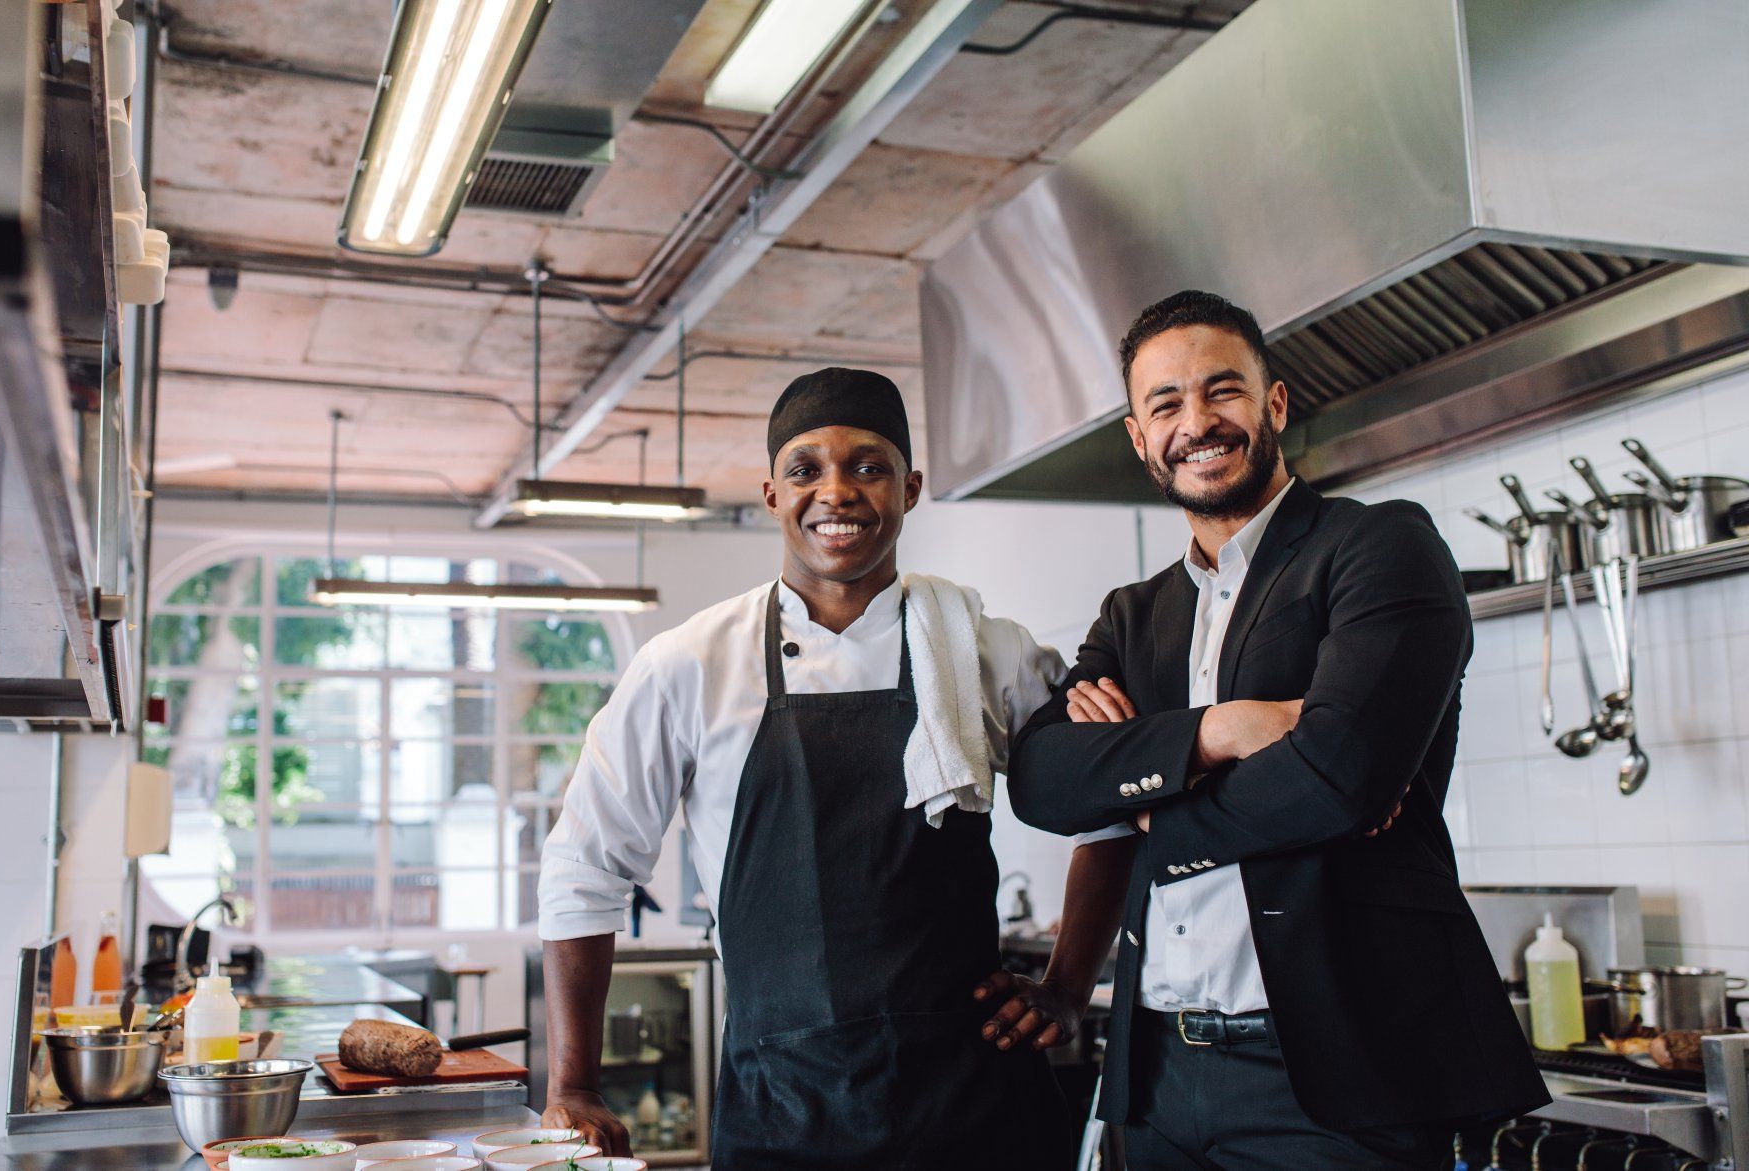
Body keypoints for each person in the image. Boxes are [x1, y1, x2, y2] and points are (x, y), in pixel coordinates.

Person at [535, 368, 1127, 1169]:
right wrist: (574, 1082)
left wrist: (1066, 983)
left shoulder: (991, 650)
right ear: (773, 493)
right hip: (784, 1112)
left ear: (911, 487)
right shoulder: (688, 665)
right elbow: (584, 865)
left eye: (869, 466)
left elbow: (1111, 803)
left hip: (977, 1107)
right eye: (807, 469)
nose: (837, 492)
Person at [1009, 291, 1548, 1169]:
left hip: (1335, 1081)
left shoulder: (1377, 547)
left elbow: (1341, 774)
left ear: (1276, 405)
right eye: (1166, 404)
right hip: (1155, 1073)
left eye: (1223, 391)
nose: (1198, 422)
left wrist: (1151, 804)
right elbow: (1041, 779)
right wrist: (1219, 732)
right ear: (1140, 439)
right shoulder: (1133, 616)